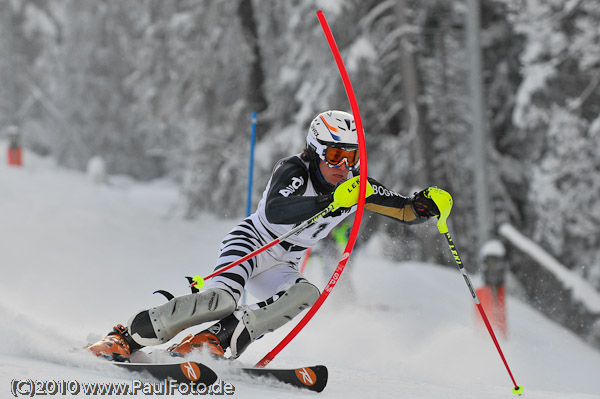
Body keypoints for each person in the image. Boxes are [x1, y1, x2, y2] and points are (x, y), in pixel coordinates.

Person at [86, 110, 445, 361]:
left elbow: (404, 210)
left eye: (349, 157)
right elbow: (276, 211)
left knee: (307, 293)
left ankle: (215, 338)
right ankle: (126, 337)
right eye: (334, 154)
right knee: (221, 300)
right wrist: (330, 201)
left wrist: (425, 206)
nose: (341, 166)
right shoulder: (294, 170)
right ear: (316, 151)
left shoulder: (356, 185)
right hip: (253, 242)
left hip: (284, 260)